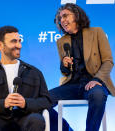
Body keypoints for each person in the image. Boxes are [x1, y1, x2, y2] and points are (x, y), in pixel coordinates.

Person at [49, 3, 115, 131]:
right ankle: (66, 128)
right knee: (41, 101)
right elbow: (65, 72)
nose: (62, 20)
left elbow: (108, 61)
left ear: (77, 16)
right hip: (72, 85)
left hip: (94, 82)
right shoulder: (62, 41)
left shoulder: (97, 32)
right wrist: (64, 65)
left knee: (98, 95)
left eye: (65, 16)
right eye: (59, 18)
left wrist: (97, 79)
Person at [0, 26, 51, 131]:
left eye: (19, 41)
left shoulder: (34, 72)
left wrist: (26, 103)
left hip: (25, 117)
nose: (19, 45)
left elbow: (46, 101)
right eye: (14, 42)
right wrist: (3, 103)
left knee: (36, 120)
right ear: (0, 45)